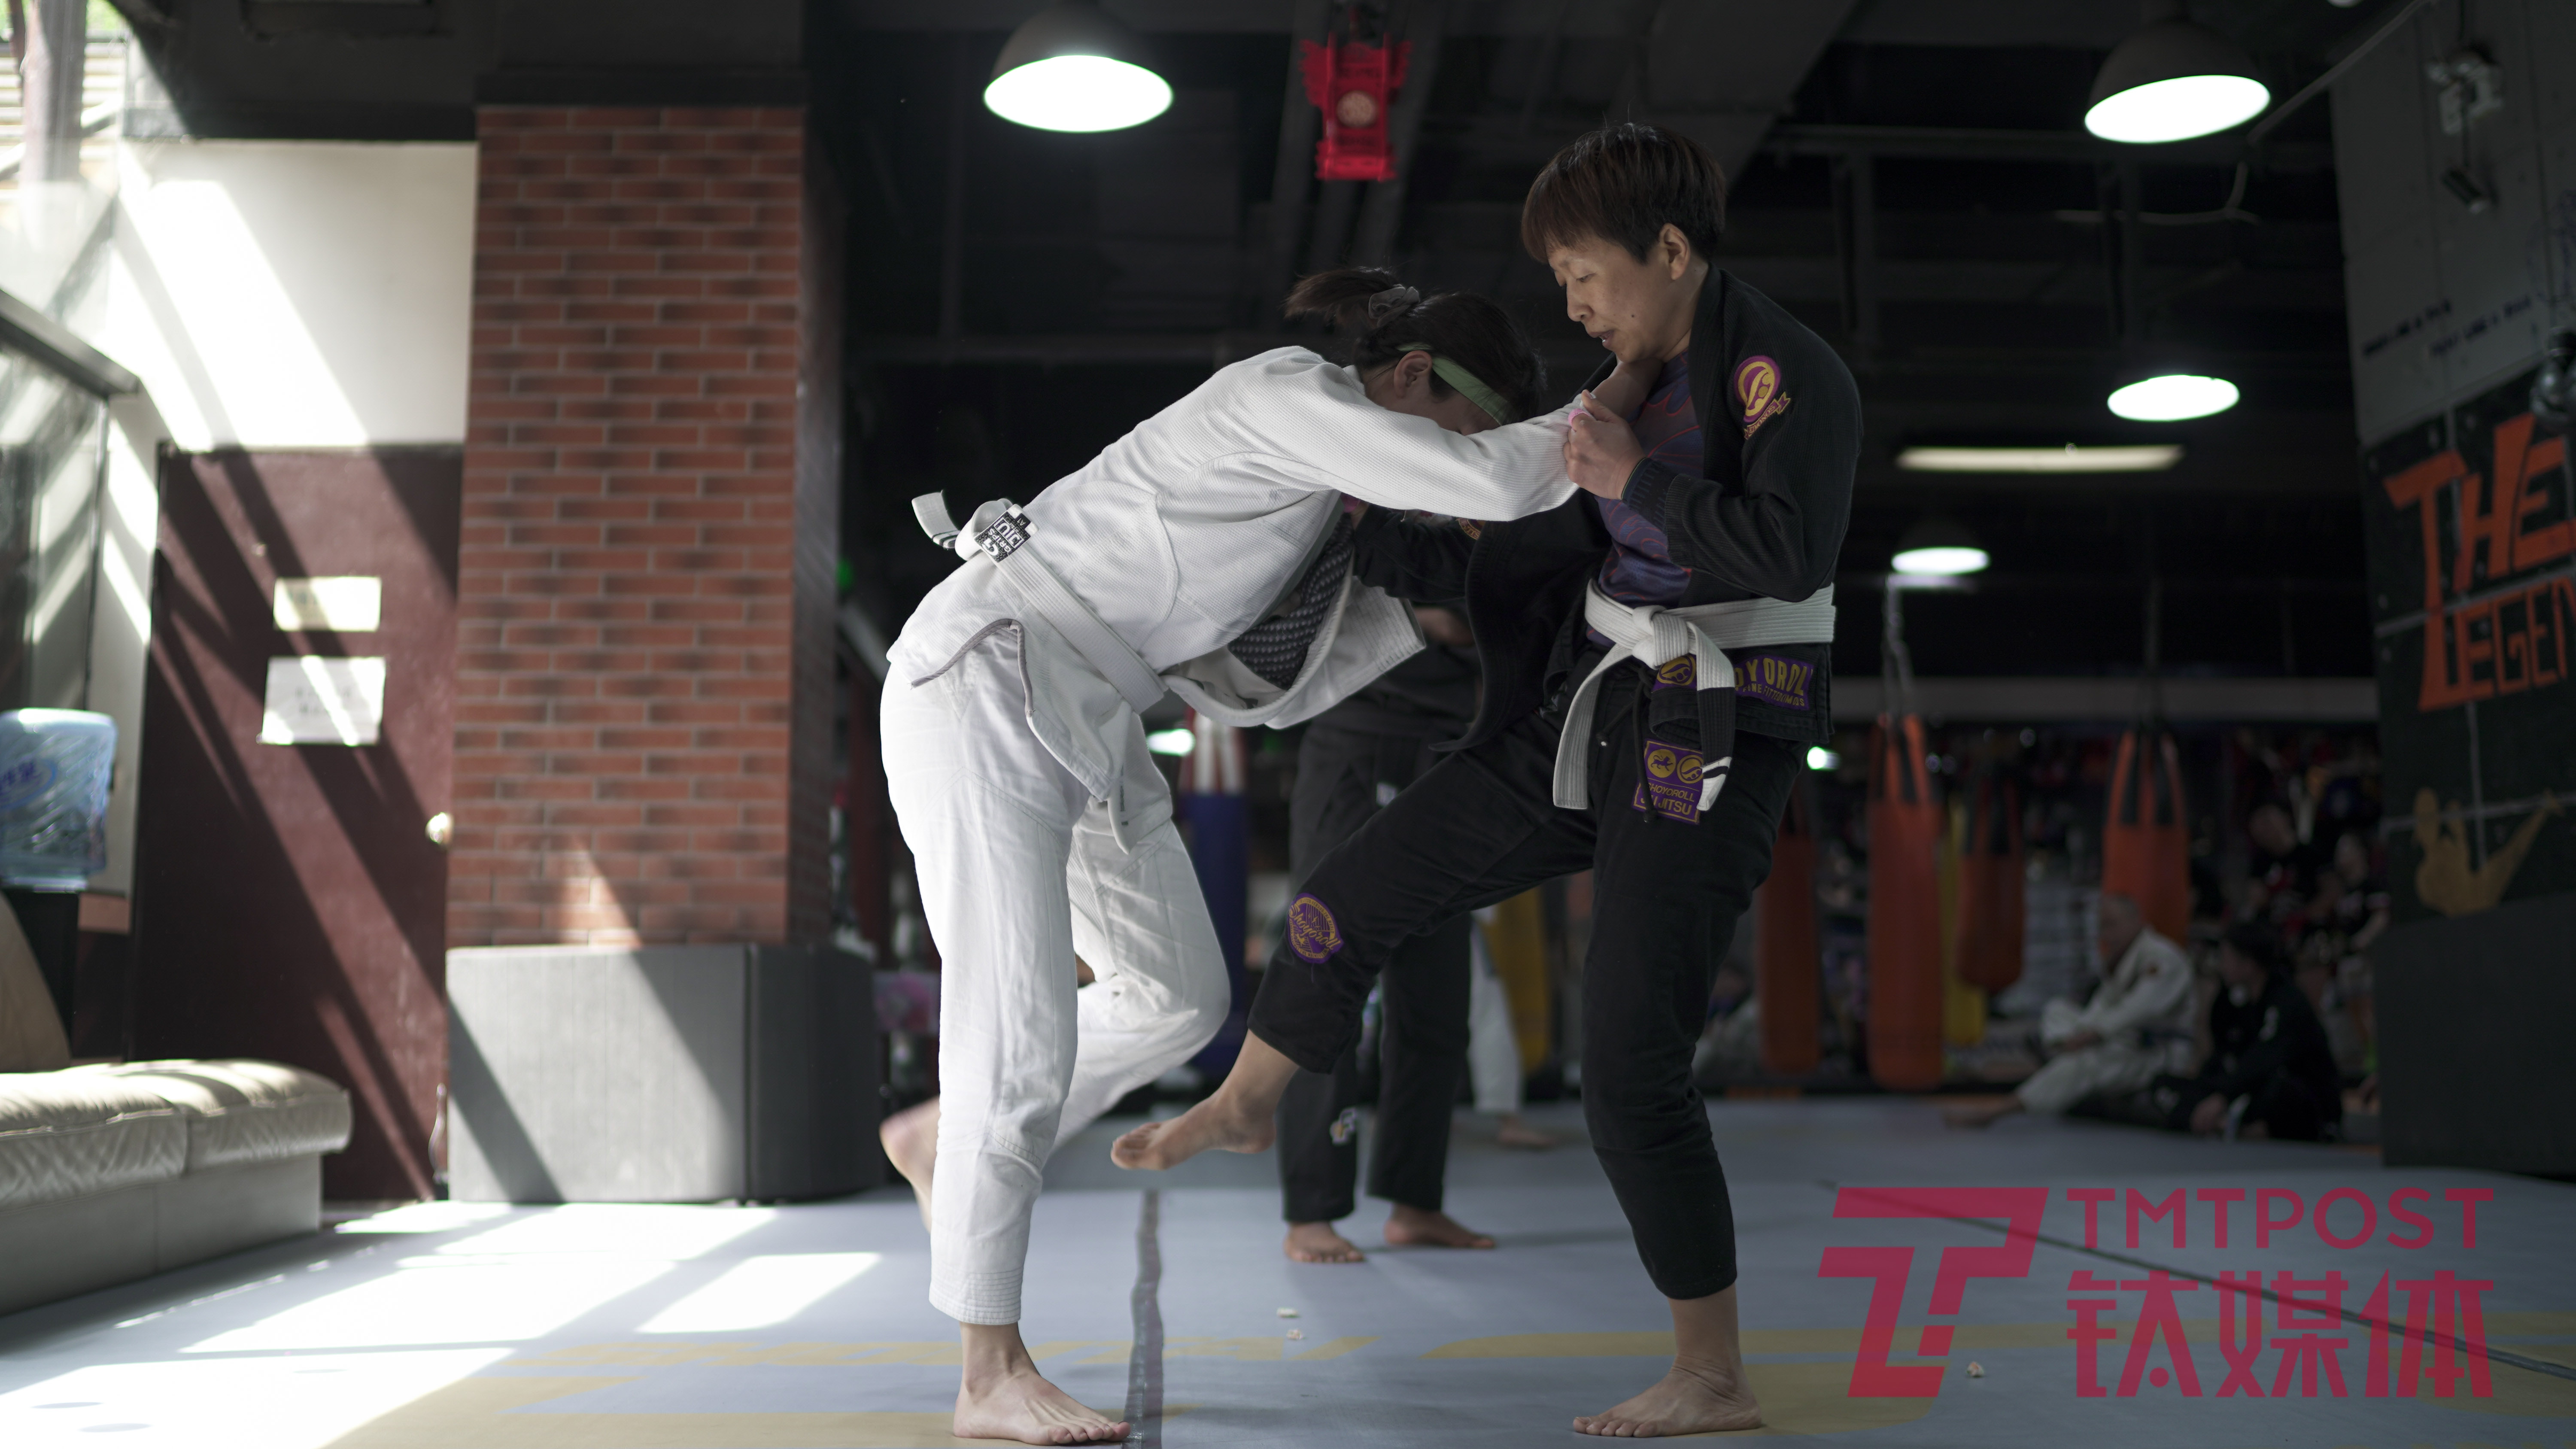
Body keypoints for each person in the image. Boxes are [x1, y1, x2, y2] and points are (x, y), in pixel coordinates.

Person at [1112, 123, 1861, 1438]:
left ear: (1670, 250)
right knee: (1342, 898)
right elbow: (1542, 535)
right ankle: (1247, 1102)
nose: (1570, 301)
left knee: (1626, 1060)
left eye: (1583, 271)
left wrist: (1633, 479)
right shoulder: (1625, 373)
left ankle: (1711, 1370)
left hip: (1715, 717)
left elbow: (1790, 552)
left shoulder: (1779, 372)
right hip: (1587, 699)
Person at [880, 268, 1600, 1446]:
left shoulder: (1330, 507)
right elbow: (1493, 479)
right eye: (1460, 426)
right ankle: (988, 1367)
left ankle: (937, 1137)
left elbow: (1262, 693)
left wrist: (1424, 619)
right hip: (986, 673)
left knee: (1178, 994)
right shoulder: (1284, 395)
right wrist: (1630, 400)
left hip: (1098, 711)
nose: (1447, 486)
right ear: (1415, 378)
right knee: (1019, 1030)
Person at [1273, 601, 1504, 1264]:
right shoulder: (1366, 503)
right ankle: (1311, 1211)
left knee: (1439, 992)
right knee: (1325, 975)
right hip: (1355, 730)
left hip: (1453, 743)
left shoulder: (1510, 505)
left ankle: (1416, 1198)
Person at [1944, 892, 2193, 1129]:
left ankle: (1995, 1112)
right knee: (2058, 1009)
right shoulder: (2124, 959)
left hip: (2156, 1056)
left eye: (2112, 925)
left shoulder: (2162, 958)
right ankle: (2061, 1046)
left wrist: (2092, 1034)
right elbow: (2101, 1008)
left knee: (2083, 1064)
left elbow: (2139, 1007)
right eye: (2102, 927)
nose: (2107, 934)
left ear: (2135, 921)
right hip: (2119, 1045)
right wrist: (2084, 1032)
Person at [2149, 923, 2343, 1141]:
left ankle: (2242, 1124)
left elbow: (2267, 1058)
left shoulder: (2288, 1001)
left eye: (2226, 958)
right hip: (2243, 1090)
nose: (2221, 966)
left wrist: (2223, 1096)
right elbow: (2223, 1051)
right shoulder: (2232, 1000)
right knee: (2163, 1085)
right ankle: (2227, 1124)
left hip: (2286, 1090)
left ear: (2248, 964)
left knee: (2282, 1090)